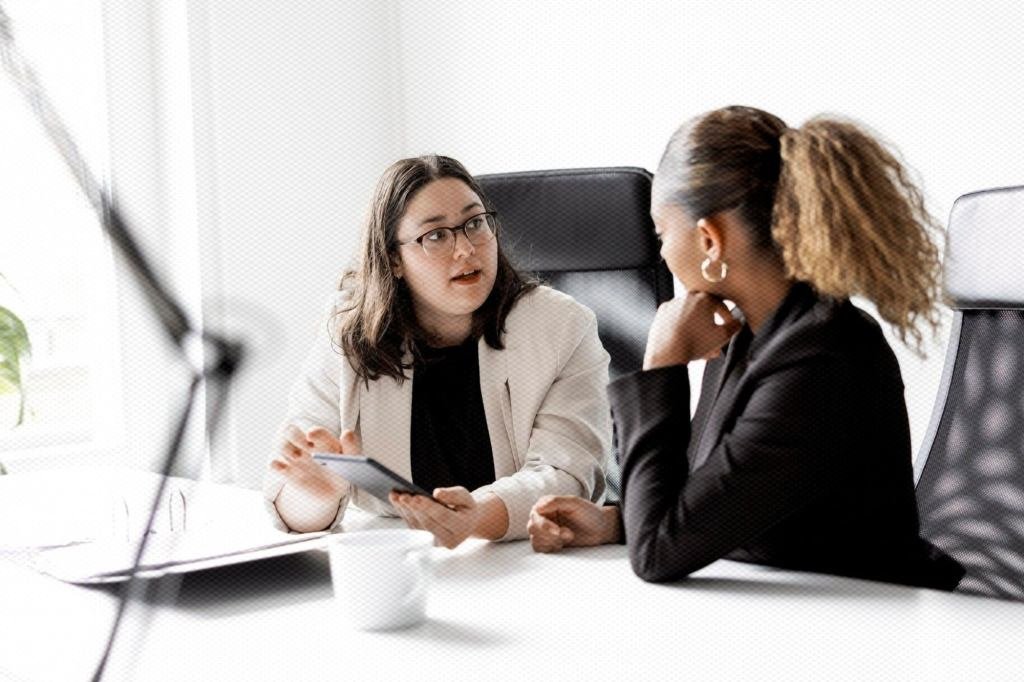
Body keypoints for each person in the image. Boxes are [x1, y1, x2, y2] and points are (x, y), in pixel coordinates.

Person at [526, 106, 964, 590]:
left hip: (874, 627)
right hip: (803, 612)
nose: (664, 253)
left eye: (661, 233)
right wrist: (615, 523)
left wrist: (660, 365)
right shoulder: (753, 333)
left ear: (709, 238)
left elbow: (658, 554)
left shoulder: (823, 358)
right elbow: (714, 502)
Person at [263, 155, 612, 548]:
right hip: (399, 561)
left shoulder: (561, 327)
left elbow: (566, 475)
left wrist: (476, 517)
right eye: (436, 236)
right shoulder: (349, 335)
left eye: (475, 223)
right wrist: (317, 495)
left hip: (527, 559)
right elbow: (293, 504)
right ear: (393, 258)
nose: (465, 249)